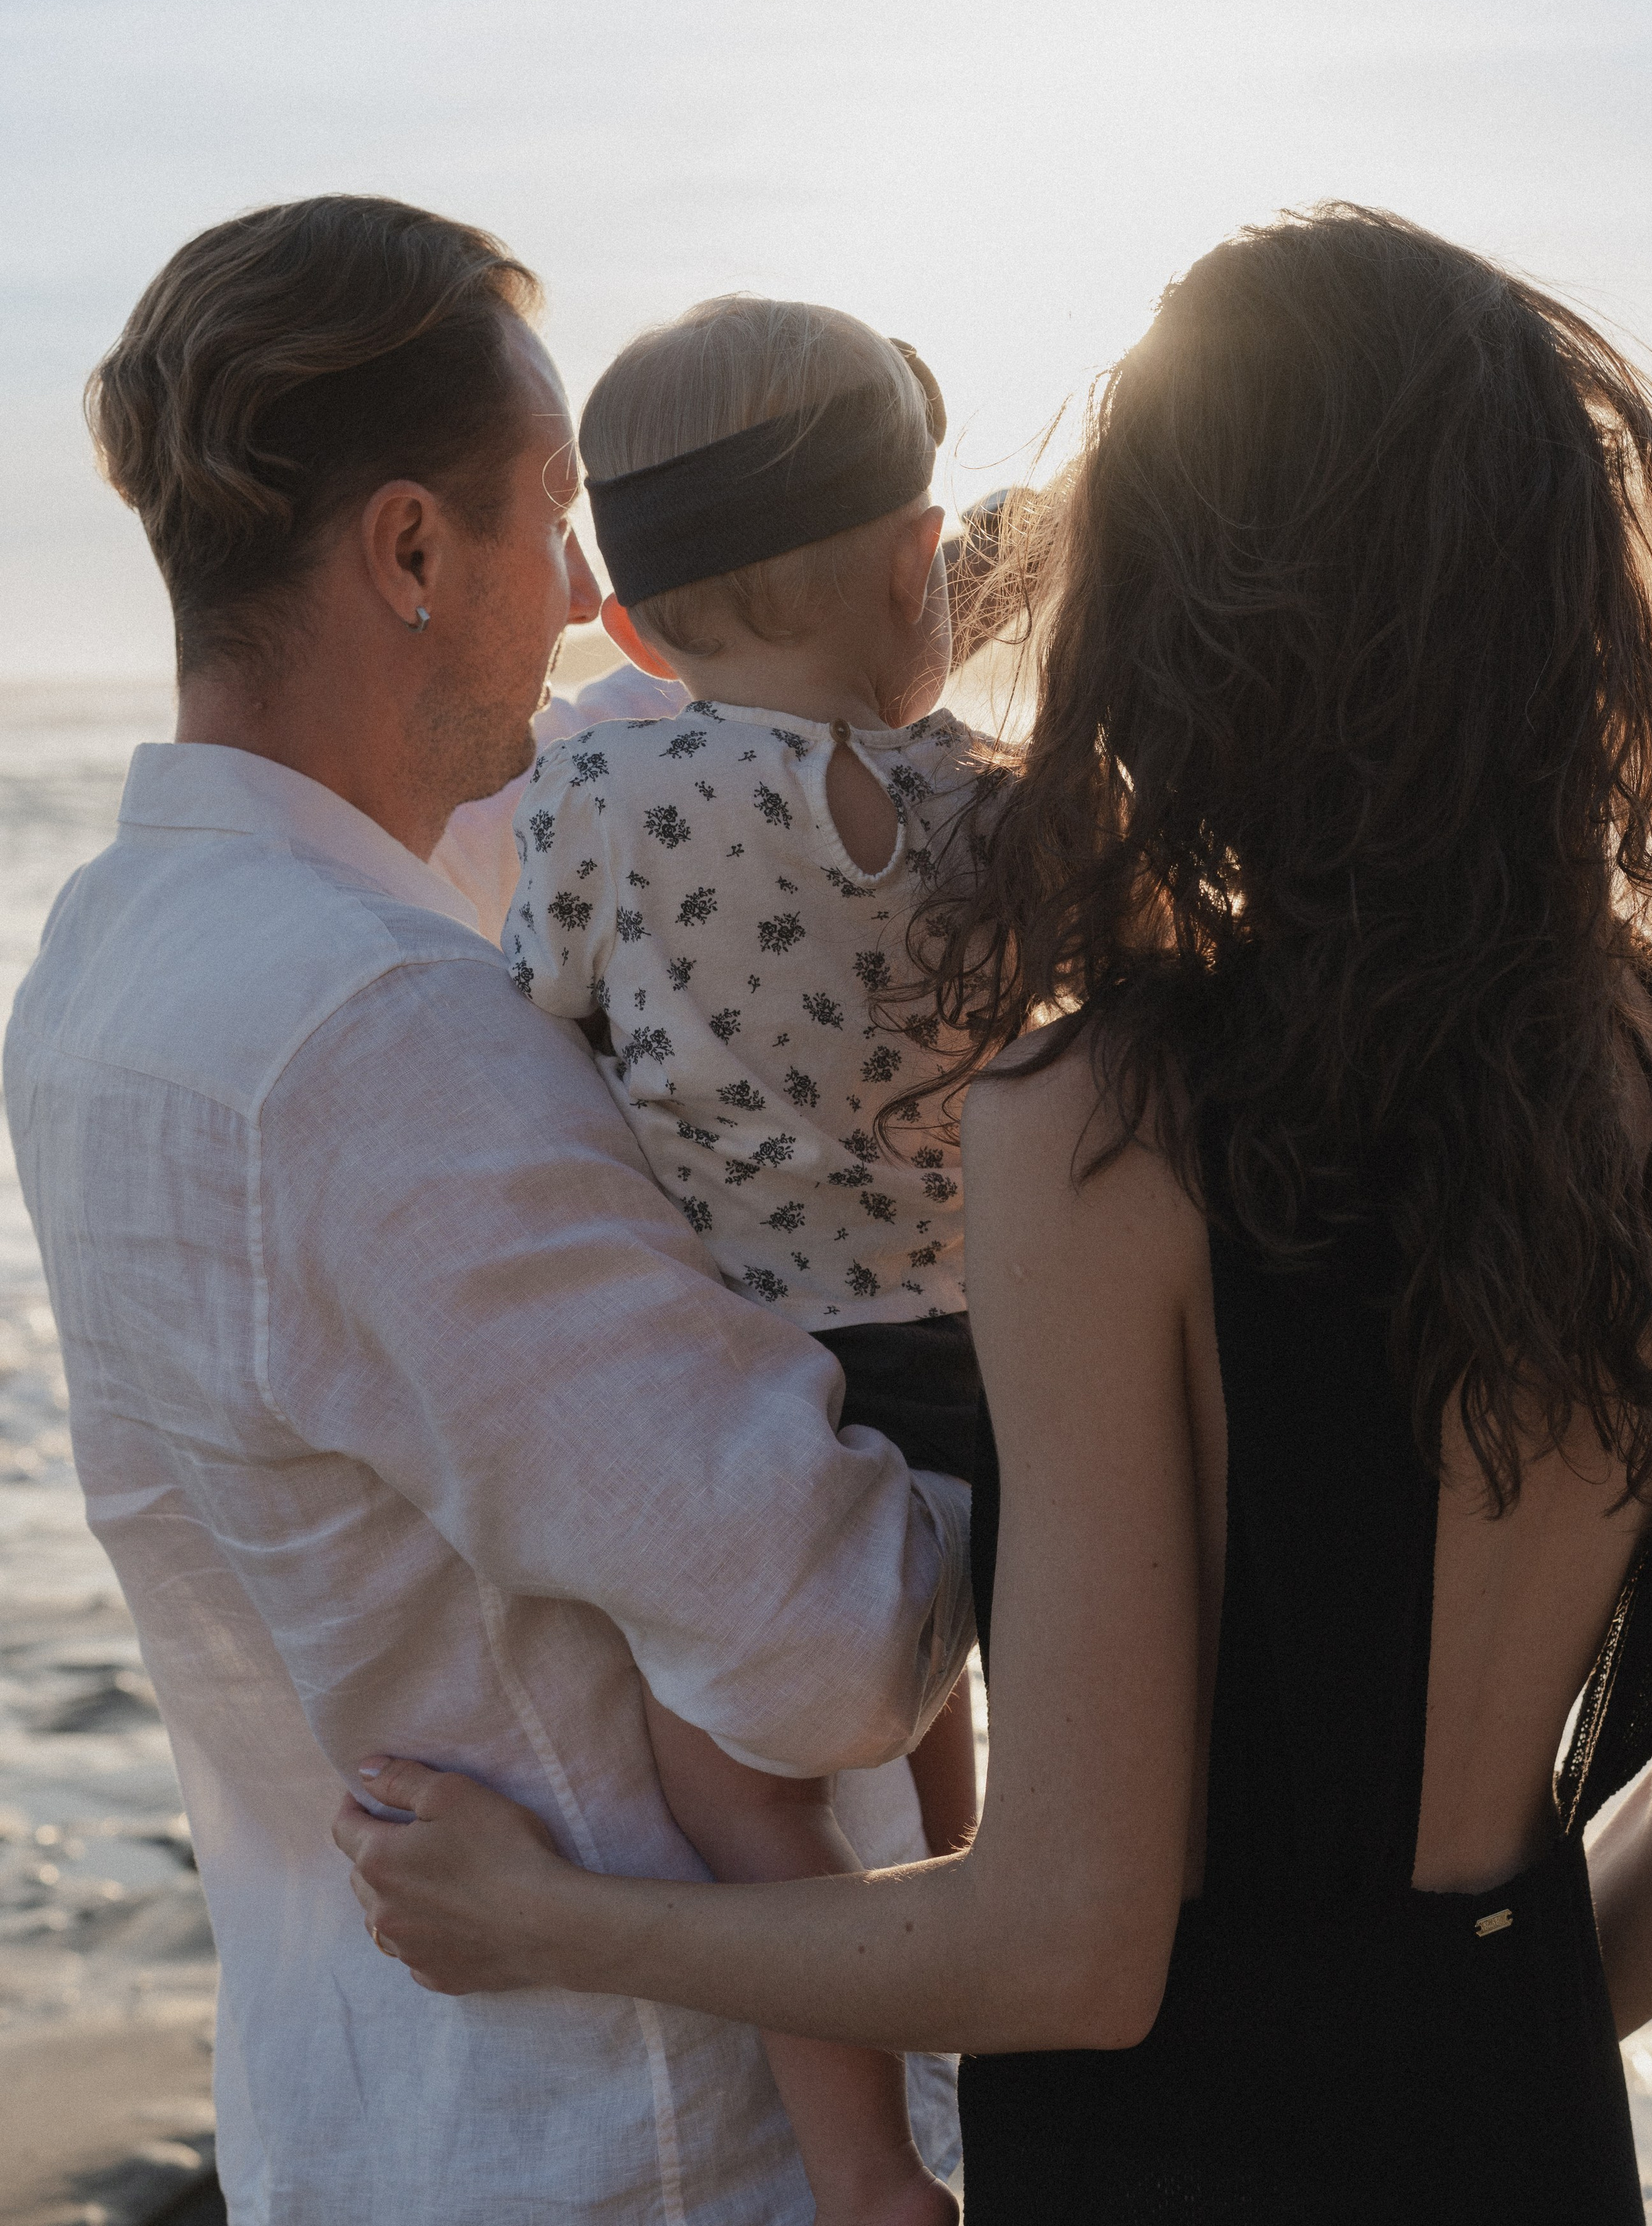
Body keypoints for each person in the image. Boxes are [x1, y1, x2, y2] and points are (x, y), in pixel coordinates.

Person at [337, 205, 1652, 2223]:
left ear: (1182, 626)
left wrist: (550, 1919)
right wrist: (1445, 2077)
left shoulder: (1116, 1125)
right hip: (1533, 2151)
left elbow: (1072, 1953)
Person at [3, 195, 974, 2225]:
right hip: (657, 2150)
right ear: (412, 553)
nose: (595, 590)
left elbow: (619, 763)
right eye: (553, 514)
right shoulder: (379, 1036)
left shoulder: (105, 958)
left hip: (368, 2115)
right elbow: (822, 1646)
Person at [513, 297, 991, 2225]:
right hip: (992, 1355)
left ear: (632, 630)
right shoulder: (998, 796)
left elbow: (531, 1020)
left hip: (780, 1369)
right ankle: (973, 1972)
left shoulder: (600, 796)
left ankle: (867, 2169)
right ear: (917, 563)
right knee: (949, 1687)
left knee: (735, 1785)